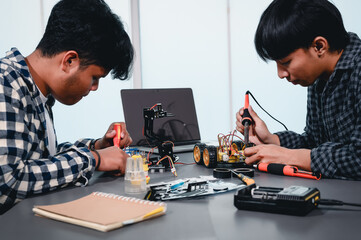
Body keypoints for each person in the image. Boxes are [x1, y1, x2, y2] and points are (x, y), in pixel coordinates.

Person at [0, 0, 134, 214]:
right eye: (94, 78)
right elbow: (7, 183)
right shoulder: (5, 84)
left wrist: (97, 146)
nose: (94, 88)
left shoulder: (34, 91)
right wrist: (94, 159)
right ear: (69, 61)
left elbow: (40, 159)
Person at [236, 0, 361, 180]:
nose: (280, 74)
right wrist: (271, 139)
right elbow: (314, 142)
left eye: (286, 62)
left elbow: (357, 159)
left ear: (319, 46)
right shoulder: (319, 78)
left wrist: (288, 156)